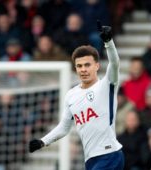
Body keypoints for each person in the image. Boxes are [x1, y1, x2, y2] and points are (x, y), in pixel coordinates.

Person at [29, 23, 124, 169]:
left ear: (97, 66)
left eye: (87, 65)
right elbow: (64, 127)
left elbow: (115, 63)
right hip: (90, 159)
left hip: (109, 154)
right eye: (79, 66)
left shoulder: (106, 85)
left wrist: (108, 42)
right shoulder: (71, 95)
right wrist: (43, 141)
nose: (83, 69)